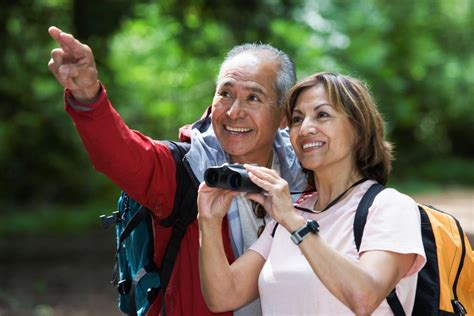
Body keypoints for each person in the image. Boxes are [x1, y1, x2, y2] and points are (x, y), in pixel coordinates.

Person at [47, 26, 306, 315]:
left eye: (253, 98)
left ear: (284, 115)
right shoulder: (186, 169)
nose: (233, 112)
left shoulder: (308, 177)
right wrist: (87, 95)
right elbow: (119, 155)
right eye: (226, 94)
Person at [198, 72, 427, 315]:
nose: (305, 128)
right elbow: (223, 296)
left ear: (359, 128)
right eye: (297, 119)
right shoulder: (290, 213)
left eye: (322, 115)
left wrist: (295, 224)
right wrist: (209, 221)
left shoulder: (390, 207)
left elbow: (363, 297)